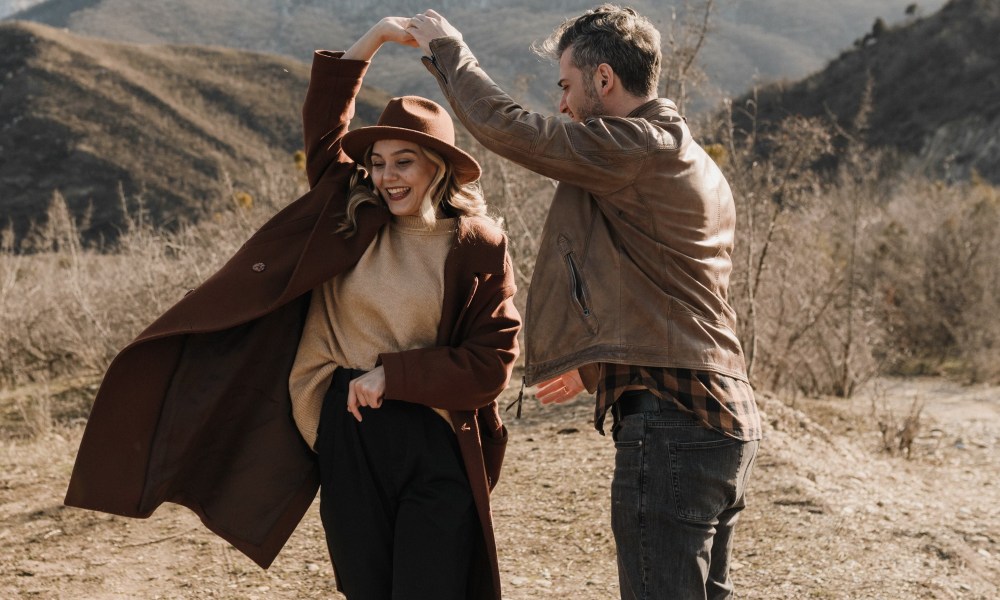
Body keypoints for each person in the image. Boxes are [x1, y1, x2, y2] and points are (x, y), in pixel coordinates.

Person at [64, 18, 520, 600]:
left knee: (432, 587)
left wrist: (395, 375)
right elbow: (327, 119)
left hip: (434, 436)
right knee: (367, 587)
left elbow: (491, 363)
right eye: (378, 162)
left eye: (403, 162)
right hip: (347, 427)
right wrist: (375, 38)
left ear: (438, 166)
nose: (386, 177)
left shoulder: (478, 243)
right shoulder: (346, 207)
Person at [405, 6, 761, 599]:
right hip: (718, 418)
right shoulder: (686, 157)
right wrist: (597, 361)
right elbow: (662, 286)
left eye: (567, 86)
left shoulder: (637, 147)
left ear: (603, 80)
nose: (563, 104)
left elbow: (513, 129)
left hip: (673, 421)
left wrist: (450, 50)